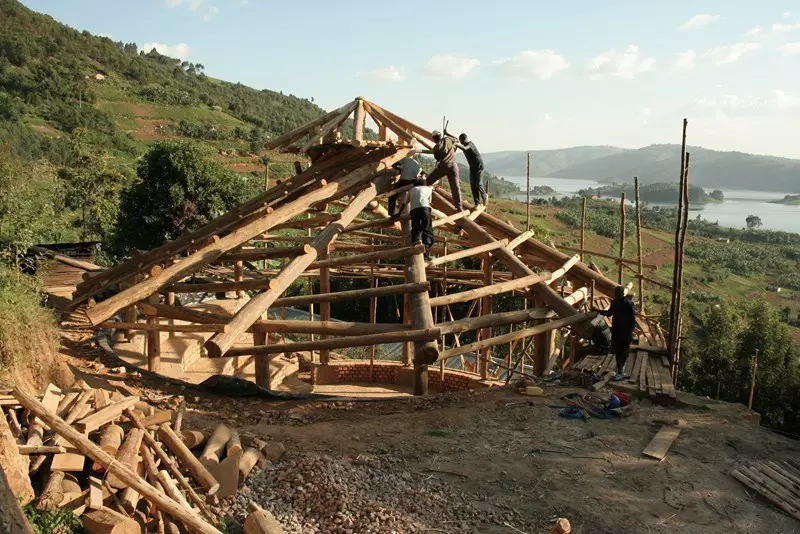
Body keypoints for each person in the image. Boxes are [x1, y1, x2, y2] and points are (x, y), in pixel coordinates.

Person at [598, 286, 636, 380]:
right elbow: (609, 313)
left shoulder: (628, 304)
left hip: (625, 331)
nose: (616, 295)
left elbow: (632, 319)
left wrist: (630, 331)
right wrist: (598, 311)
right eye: (615, 293)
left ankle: (620, 370)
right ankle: (620, 370)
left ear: (622, 294)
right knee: (619, 351)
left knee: (623, 350)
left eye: (617, 293)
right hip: (617, 330)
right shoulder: (615, 302)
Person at [425, 130, 463, 211]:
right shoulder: (448, 139)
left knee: (428, 181)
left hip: (444, 166)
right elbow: (457, 139)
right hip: (454, 166)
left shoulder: (436, 147)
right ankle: (459, 206)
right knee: (456, 187)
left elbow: (437, 158)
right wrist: (447, 133)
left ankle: (424, 198)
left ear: (434, 138)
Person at [451, 132, 486, 207]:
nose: (460, 142)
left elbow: (464, 148)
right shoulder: (462, 144)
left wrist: (455, 144)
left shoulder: (470, 144)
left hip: (479, 167)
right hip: (472, 168)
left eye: (461, 140)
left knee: (478, 184)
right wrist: (447, 133)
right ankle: (477, 203)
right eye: (460, 141)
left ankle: (484, 197)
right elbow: (455, 138)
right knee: (473, 185)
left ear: (465, 139)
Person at [410, 177, 434, 257]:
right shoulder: (428, 188)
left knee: (416, 228)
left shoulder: (411, 190)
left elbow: (404, 203)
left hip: (414, 210)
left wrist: (398, 214)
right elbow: (430, 201)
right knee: (427, 229)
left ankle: (417, 241)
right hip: (425, 209)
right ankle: (426, 248)